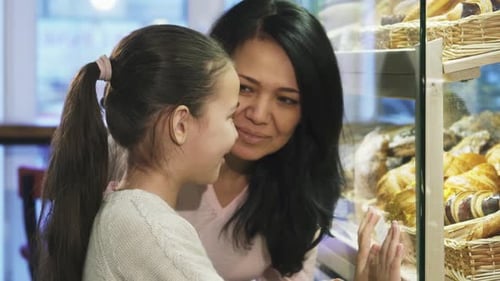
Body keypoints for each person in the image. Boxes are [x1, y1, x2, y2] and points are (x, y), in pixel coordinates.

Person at [108, 0, 405, 280]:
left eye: (286, 100)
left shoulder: (300, 188)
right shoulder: (141, 159)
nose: (260, 115)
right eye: (245, 88)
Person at [36, 24, 240, 281]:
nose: (236, 134)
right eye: (230, 116)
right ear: (180, 125)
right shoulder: (146, 226)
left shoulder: (128, 212)